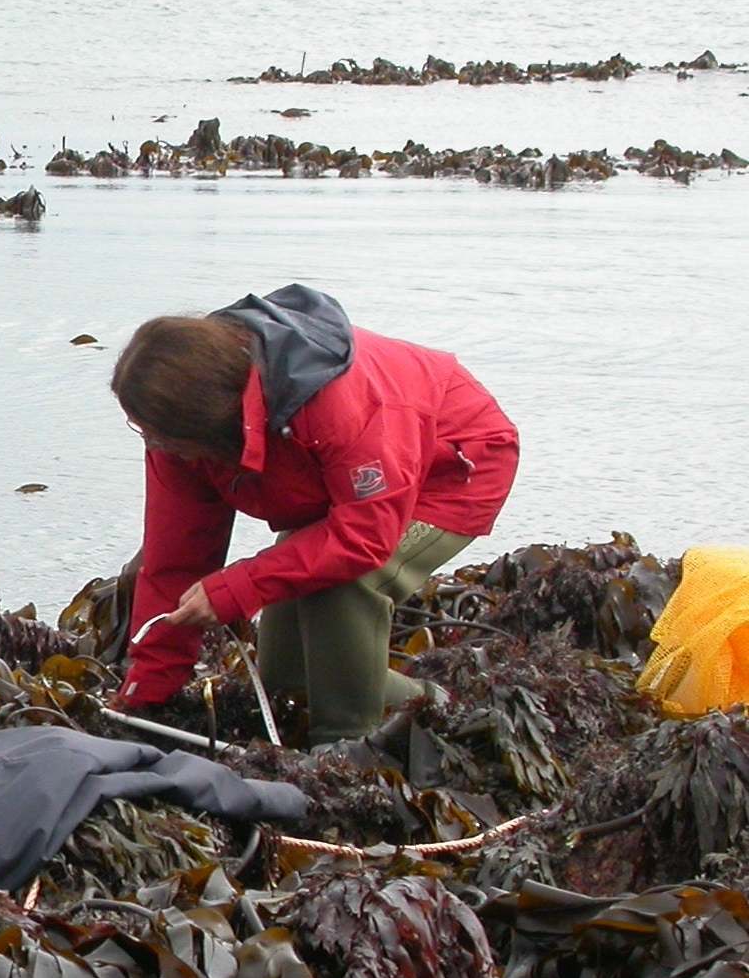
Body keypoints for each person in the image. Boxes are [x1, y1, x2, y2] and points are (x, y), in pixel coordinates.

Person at [112, 284, 519, 746]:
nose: (153, 445)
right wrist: (145, 693)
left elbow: (364, 536)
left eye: (157, 435)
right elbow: (175, 562)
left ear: (207, 418)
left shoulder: (334, 401)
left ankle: (348, 746)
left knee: (346, 588)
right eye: (143, 431)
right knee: (288, 678)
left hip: (452, 466)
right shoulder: (174, 437)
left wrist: (234, 588)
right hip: (337, 489)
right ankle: (439, 705)